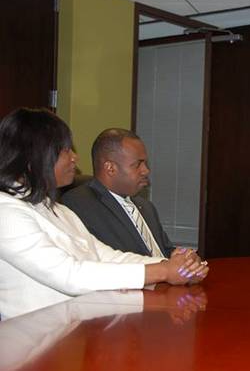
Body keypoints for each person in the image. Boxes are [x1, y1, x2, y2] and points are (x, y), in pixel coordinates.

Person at [0, 108, 208, 319]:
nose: (75, 158)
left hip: (69, 333)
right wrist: (164, 272)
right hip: (29, 342)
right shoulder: (6, 213)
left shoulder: (57, 209)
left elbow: (105, 256)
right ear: (34, 156)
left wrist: (176, 266)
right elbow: (70, 275)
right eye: (65, 150)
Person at [62, 129, 173, 257]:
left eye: (145, 163)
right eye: (138, 164)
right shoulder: (80, 204)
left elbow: (166, 251)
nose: (146, 171)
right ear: (110, 168)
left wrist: (183, 257)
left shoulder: (147, 207)